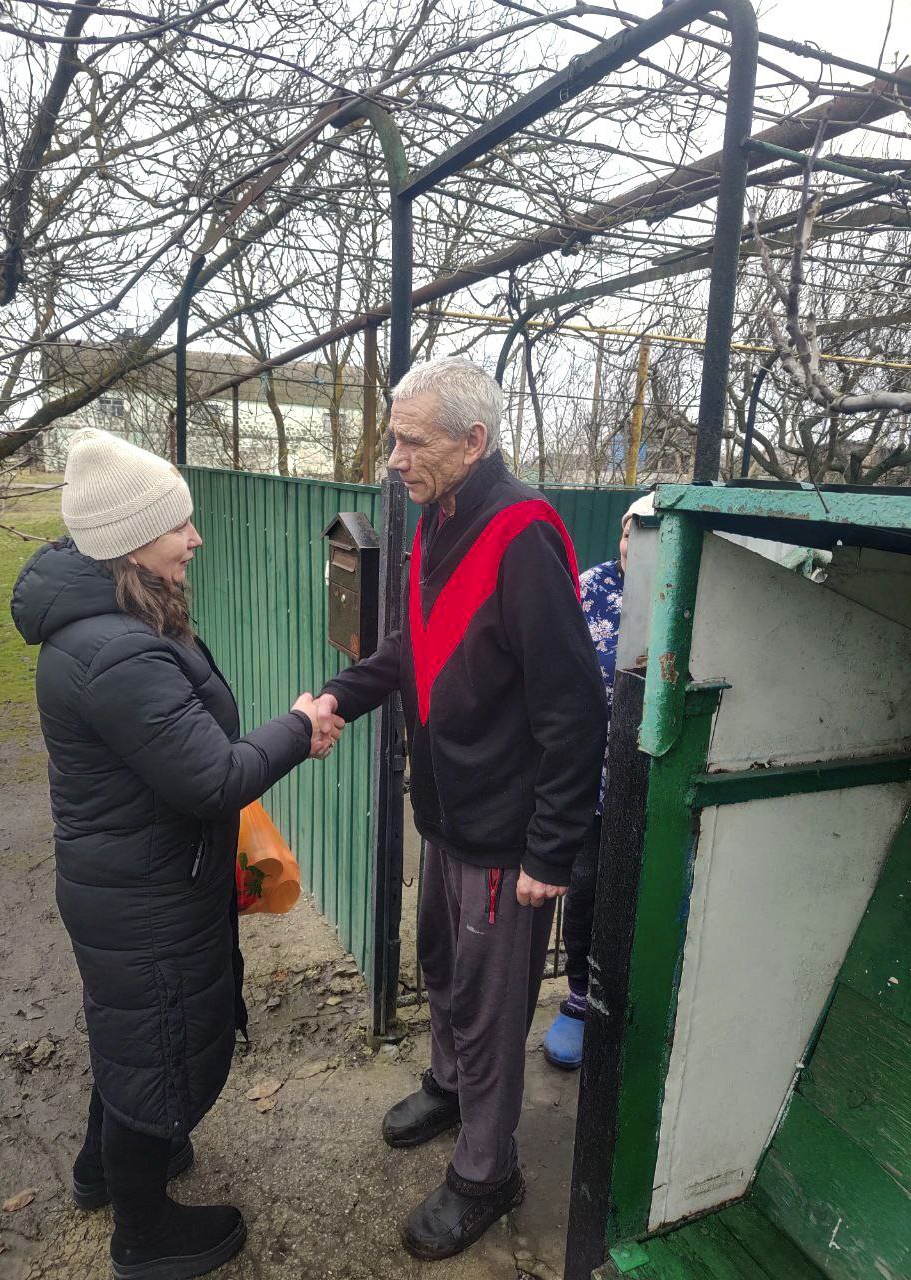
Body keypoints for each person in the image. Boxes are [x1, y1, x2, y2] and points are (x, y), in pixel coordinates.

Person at [11, 429, 342, 1280]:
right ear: (129, 543)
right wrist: (300, 727)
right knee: (155, 1046)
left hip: (134, 879)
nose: (194, 539)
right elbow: (211, 777)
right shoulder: (113, 649)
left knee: (133, 1040)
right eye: (177, 527)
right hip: (144, 893)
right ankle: (145, 1237)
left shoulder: (112, 622)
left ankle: (102, 1175)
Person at [316, 357, 607, 1260]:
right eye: (394, 436)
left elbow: (575, 708)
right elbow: (414, 649)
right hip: (445, 813)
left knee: (489, 1009)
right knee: (442, 969)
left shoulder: (521, 532)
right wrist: (336, 696)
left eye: (411, 439)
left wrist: (549, 853)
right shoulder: (434, 520)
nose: (393, 457)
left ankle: (488, 1168)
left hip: (502, 834)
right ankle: (449, 1087)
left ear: (472, 441)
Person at [543, 493, 654, 1070]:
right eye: (635, 530)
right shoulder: (588, 589)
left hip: (654, 781)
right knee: (584, 889)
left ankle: (638, 1006)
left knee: (644, 892)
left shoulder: (684, 594)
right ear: (622, 533)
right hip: (590, 780)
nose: (640, 544)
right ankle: (581, 1000)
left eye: (655, 532)